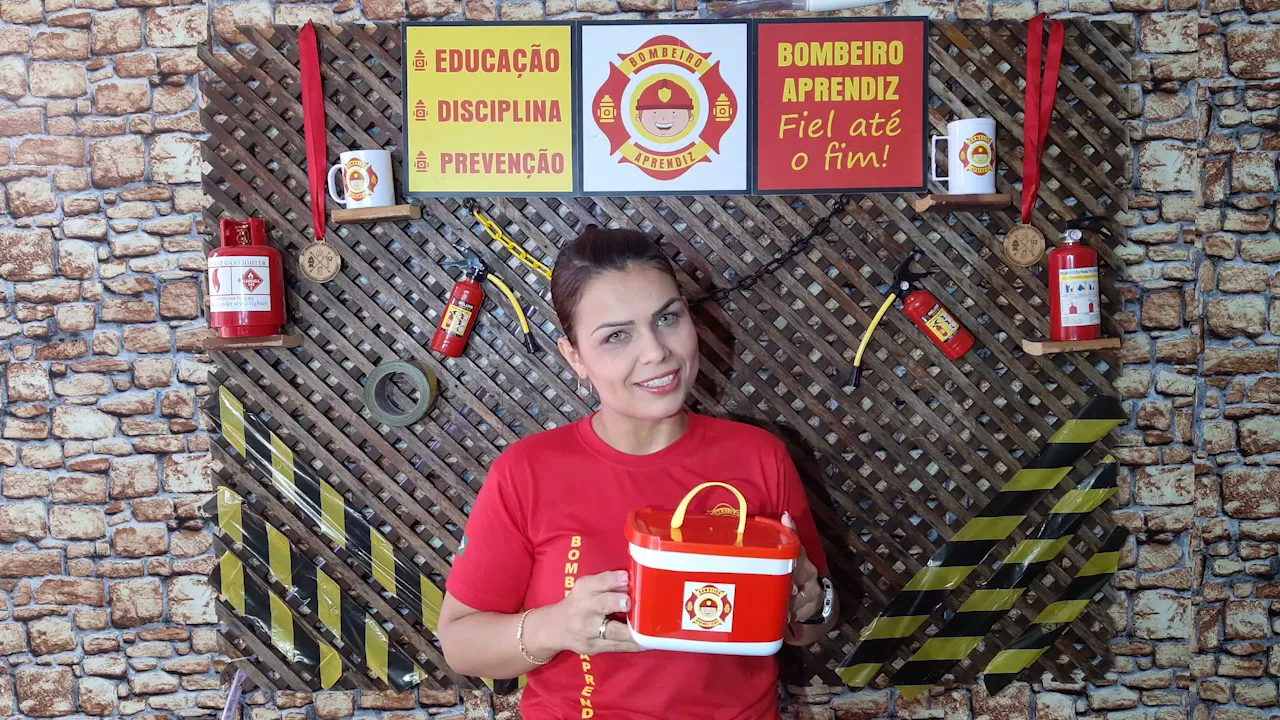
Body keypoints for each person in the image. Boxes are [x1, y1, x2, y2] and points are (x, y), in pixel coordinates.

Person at [437, 226, 838, 719]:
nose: (655, 351)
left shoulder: (760, 456)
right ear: (575, 357)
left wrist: (812, 601)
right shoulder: (527, 471)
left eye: (667, 318)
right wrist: (557, 626)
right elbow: (460, 642)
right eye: (616, 336)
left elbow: (812, 622)